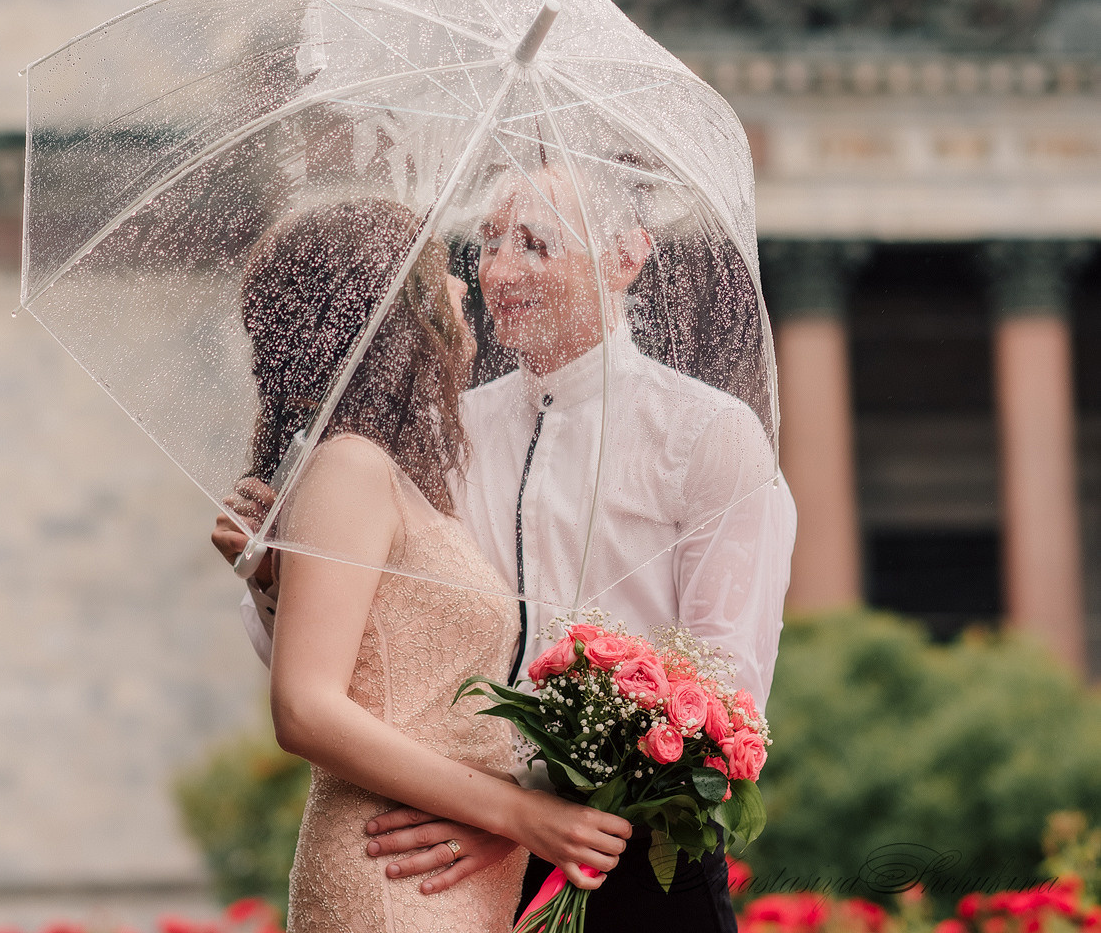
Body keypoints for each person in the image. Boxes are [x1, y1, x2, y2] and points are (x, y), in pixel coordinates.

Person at [217, 162, 795, 930]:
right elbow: (366, 658)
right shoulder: (445, 432)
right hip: (450, 853)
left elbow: (728, 690)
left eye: (534, 242)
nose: (497, 270)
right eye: (487, 241)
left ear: (626, 257)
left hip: (634, 854)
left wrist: (524, 808)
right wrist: (270, 582)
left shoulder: (708, 435)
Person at [236, 195, 632, 932]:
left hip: (447, 877)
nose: (465, 289)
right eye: (441, 274)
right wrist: (521, 812)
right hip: (393, 876)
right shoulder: (349, 467)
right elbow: (305, 707)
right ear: (393, 308)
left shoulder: (390, 472)